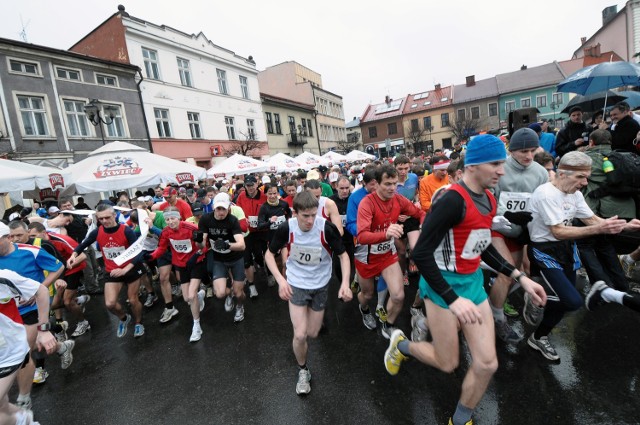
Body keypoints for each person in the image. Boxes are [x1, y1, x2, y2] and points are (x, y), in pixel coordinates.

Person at [384, 135, 547, 425]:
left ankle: (460, 420)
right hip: (440, 285)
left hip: (471, 283)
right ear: (473, 165)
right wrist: (452, 300)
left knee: (487, 363)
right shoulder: (451, 201)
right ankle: (401, 346)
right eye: (495, 163)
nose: (502, 170)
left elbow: (481, 245)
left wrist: (520, 277)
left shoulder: (489, 198)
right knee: (448, 363)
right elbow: (420, 254)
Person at [526, 151, 640, 361]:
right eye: (581, 177)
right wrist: (601, 229)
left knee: (564, 302)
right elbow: (558, 231)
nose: (585, 182)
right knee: (571, 301)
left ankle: (538, 337)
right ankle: (535, 295)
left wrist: (623, 226)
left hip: (567, 249)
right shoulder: (546, 194)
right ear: (562, 173)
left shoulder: (575, 194)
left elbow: (592, 220)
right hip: (544, 250)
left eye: (587, 177)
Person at [264, 191, 352, 395]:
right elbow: (269, 255)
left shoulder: (326, 228)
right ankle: (303, 370)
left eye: (314, 214)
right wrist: (281, 280)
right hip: (296, 284)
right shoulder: (287, 227)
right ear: (295, 213)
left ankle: (313, 319)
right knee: (300, 334)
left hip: (320, 285)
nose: (310, 220)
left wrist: (345, 283)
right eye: (305, 216)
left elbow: (344, 256)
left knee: (313, 332)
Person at [0, 222, 69, 411]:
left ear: (7, 238)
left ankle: (23, 399)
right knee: (35, 345)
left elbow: (58, 267)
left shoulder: (30, 251)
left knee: (23, 352)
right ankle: (61, 347)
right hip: (6, 312)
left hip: (32, 307)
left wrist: (40, 288)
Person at [489, 127, 549, 343]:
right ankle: (497, 318)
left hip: (522, 232)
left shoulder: (540, 173)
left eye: (532, 150)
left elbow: (543, 203)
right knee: (508, 273)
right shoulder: (499, 168)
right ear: (512, 150)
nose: (529, 156)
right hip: (497, 229)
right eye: (523, 151)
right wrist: (504, 215)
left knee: (525, 270)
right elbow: (486, 204)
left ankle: (496, 298)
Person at [356, 164, 425, 338]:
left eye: (394, 183)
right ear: (376, 184)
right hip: (366, 256)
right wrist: (385, 233)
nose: (392, 188)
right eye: (387, 184)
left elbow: (418, 213)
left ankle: (388, 324)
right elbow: (362, 236)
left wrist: (424, 222)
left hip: (387, 255)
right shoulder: (367, 203)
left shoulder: (398, 199)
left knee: (398, 295)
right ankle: (364, 309)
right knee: (367, 294)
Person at [69, 204, 146, 338]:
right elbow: (83, 244)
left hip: (131, 269)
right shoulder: (97, 232)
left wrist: (125, 269)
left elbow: (138, 252)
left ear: (114, 215)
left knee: (133, 300)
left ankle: (139, 323)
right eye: (100, 219)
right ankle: (124, 318)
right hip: (112, 270)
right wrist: (73, 255)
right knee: (110, 304)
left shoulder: (126, 230)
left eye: (107, 217)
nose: (104, 221)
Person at [0, 269, 58, 425]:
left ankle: (24, 420)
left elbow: (42, 291)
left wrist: (44, 330)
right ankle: (26, 421)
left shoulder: (3, 276)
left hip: (10, 353)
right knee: (2, 407)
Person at [149, 207, 207, 342]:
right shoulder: (166, 232)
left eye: (172, 218)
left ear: (179, 217)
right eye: (167, 219)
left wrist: (199, 245)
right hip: (181, 265)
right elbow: (162, 248)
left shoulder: (191, 227)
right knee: (187, 298)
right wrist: (151, 256)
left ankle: (196, 326)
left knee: (190, 296)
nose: (170, 222)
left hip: (196, 263)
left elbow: (204, 247)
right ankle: (199, 295)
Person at [198, 192, 247, 323]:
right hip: (219, 260)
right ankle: (229, 293)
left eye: (224, 209)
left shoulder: (232, 220)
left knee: (239, 293)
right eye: (218, 209)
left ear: (229, 208)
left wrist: (227, 245)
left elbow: (242, 245)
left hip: (236, 258)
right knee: (219, 294)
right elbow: (201, 244)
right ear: (214, 207)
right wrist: (197, 240)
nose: (221, 212)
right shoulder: (205, 220)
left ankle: (240, 306)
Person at [235, 175, 267, 298]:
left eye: (252, 185)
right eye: (247, 185)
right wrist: (243, 220)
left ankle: (264, 269)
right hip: (247, 232)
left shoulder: (264, 196)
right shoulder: (241, 197)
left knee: (259, 254)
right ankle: (252, 285)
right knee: (246, 259)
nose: (250, 188)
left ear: (257, 184)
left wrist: (263, 220)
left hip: (261, 230)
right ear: (245, 186)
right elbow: (238, 212)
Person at [257, 183, 292, 287]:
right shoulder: (264, 208)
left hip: (284, 238)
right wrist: (269, 222)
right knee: (274, 261)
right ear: (266, 194)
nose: (272, 196)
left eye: (274, 193)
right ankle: (271, 275)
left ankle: (285, 284)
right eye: (270, 193)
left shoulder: (283, 204)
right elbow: (260, 225)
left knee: (285, 262)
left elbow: (289, 214)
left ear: (278, 193)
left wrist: (289, 220)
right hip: (271, 239)